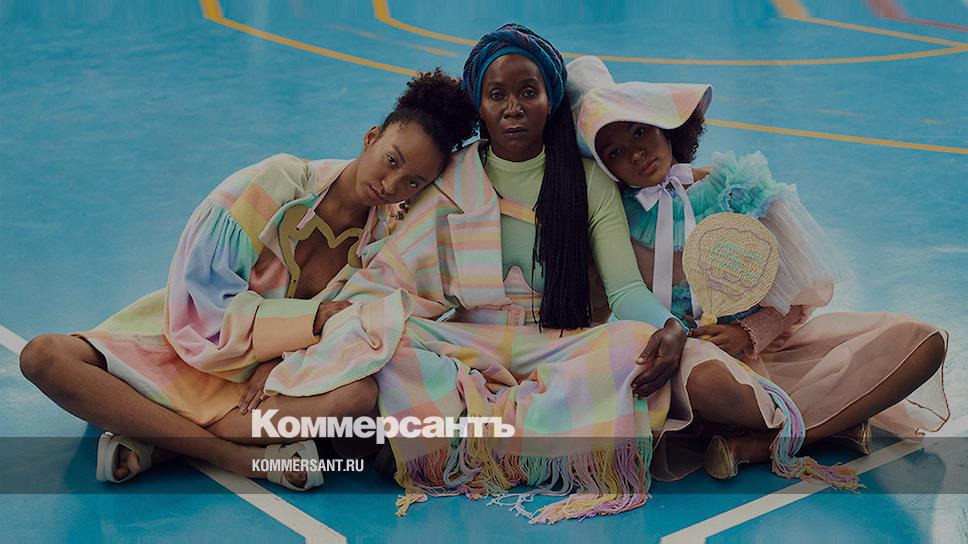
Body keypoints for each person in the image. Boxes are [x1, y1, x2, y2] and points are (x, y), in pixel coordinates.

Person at [19, 69, 478, 491]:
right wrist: (307, 322)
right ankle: (232, 457)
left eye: (413, 182)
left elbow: (354, 332)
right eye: (391, 160)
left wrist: (282, 355)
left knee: (359, 397)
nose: (392, 185)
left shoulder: (384, 240)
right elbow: (200, 303)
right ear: (371, 137)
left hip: (261, 388)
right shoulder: (278, 182)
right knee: (43, 358)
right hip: (188, 345)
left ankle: (156, 436)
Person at [566, 55, 948, 480]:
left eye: (640, 131)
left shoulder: (738, 190)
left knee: (922, 342)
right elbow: (607, 306)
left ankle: (766, 441)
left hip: (771, 353)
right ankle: (830, 421)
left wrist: (746, 334)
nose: (636, 153)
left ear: (667, 127)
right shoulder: (613, 219)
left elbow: (796, 300)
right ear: (604, 167)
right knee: (707, 383)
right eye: (615, 152)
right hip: (694, 365)